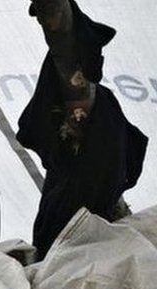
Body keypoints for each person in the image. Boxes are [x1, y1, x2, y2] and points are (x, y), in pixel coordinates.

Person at [19, 0, 148, 259]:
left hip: (86, 223)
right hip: (74, 223)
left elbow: (65, 42)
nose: (45, 22)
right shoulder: (84, 97)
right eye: (42, 16)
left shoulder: (96, 103)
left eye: (48, 14)